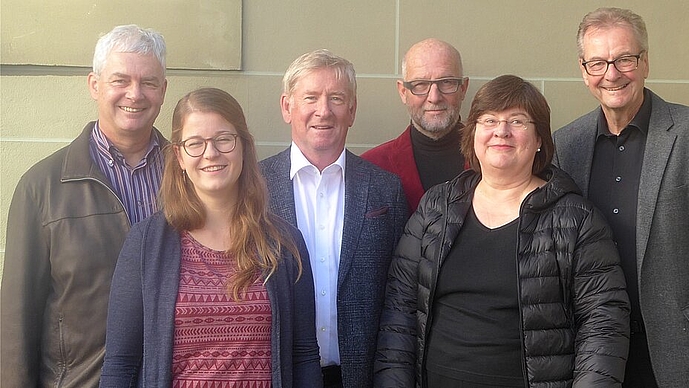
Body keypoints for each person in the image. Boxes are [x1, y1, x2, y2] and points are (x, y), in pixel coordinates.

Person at [375, 75, 630, 387]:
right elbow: (400, 310)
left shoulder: (577, 220)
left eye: (518, 121)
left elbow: (603, 323)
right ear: (473, 134)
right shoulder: (436, 208)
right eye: (489, 120)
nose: (501, 131)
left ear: (539, 140)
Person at [552, 7, 689, 388]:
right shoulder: (567, 145)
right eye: (597, 63)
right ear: (583, 71)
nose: (611, 74)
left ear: (645, 62)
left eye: (625, 59)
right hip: (593, 357)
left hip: (682, 357)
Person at [99, 88, 322, 387]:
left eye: (223, 139)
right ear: (179, 155)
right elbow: (120, 364)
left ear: (243, 145)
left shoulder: (282, 244)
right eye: (195, 143)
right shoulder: (146, 244)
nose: (211, 153)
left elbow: (304, 355)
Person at [1, 25, 168, 388]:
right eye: (120, 80)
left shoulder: (190, 177)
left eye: (149, 82)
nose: (135, 94)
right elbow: (16, 320)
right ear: (94, 85)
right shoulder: (42, 187)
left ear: (164, 90)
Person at [259, 49, 408, 388]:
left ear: (352, 110)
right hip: (280, 376)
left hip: (361, 377)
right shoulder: (253, 188)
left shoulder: (385, 189)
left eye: (336, 98)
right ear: (287, 107)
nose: (323, 111)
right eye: (310, 97)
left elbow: (402, 297)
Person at [362, 38, 469, 212]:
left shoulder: (495, 160)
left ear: (463, 88)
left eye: (446, 82)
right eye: (420, 84)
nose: (434, 97)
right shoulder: (371, 167)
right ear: (403, 92)